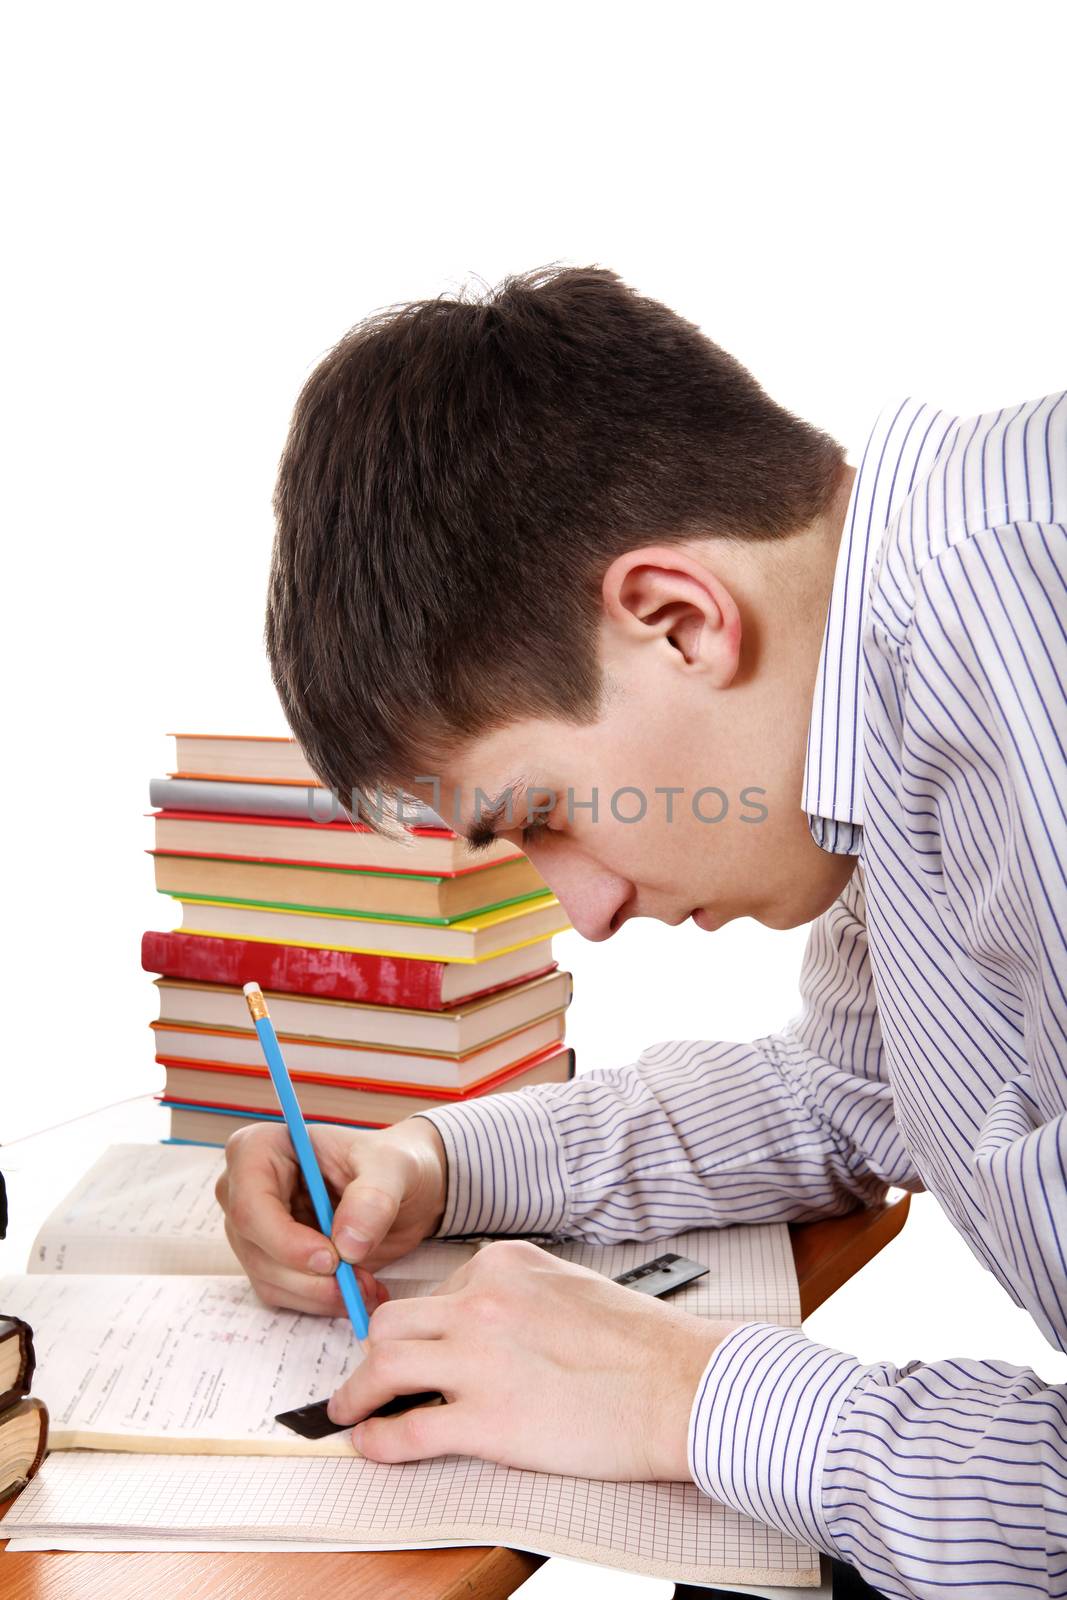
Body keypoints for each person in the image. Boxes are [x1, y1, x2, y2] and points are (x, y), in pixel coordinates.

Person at [216, 266, 1067, 1600]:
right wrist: (433, 1163)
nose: (591, 912)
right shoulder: (896, 704)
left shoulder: (1032, 623)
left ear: (678, 620)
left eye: (545, 815)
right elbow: (846, 1101)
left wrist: (691, 1393)